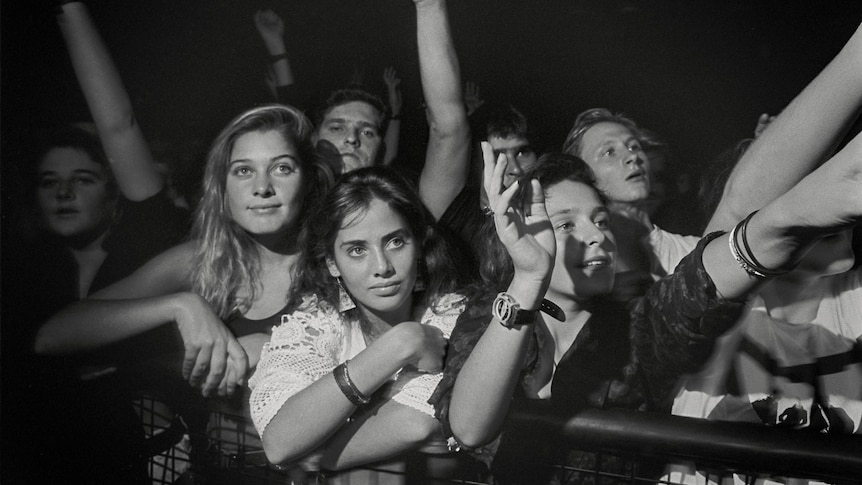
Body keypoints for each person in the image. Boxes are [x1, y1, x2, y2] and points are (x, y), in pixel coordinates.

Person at [429, 134, 862, 483]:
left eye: (600, 220)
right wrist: (528, 278)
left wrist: (788, 217)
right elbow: (469, 428)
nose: (596, 235)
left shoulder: (636, 326)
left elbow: (709, 279)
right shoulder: (492, 310)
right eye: (566, 224)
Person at [0, 2, 191, 482]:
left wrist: (71, 12)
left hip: (141, 459)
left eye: (82, 179)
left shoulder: (146, 243)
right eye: (49, 182)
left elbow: (118, 125)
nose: (63, 193)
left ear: (113, 190)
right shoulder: (24, 268)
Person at [248, 167, 466, 481]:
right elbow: (280, 444)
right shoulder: (319, 325)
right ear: (332, 263)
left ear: (418, 244)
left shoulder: (451, 315)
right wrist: (403, 342)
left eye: (395, 242)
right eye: (357, 250)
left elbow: (415, 423)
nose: (382, 267)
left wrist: (315, 452)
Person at [256, 0, 470, 221]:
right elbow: (290, 117)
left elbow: (449, 130)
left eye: (367, 132)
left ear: (381, 147)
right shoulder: (288, 208)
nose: (351, 139)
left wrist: (429, 6)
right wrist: (276, 46)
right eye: (337, 128)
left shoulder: (404, 210)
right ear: (313, 138)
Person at [440, 102, 542, 282]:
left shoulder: (549, 218)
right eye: (498, 156)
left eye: (522, 152)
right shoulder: (456, 221)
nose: (515, 170)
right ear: (478, 161)